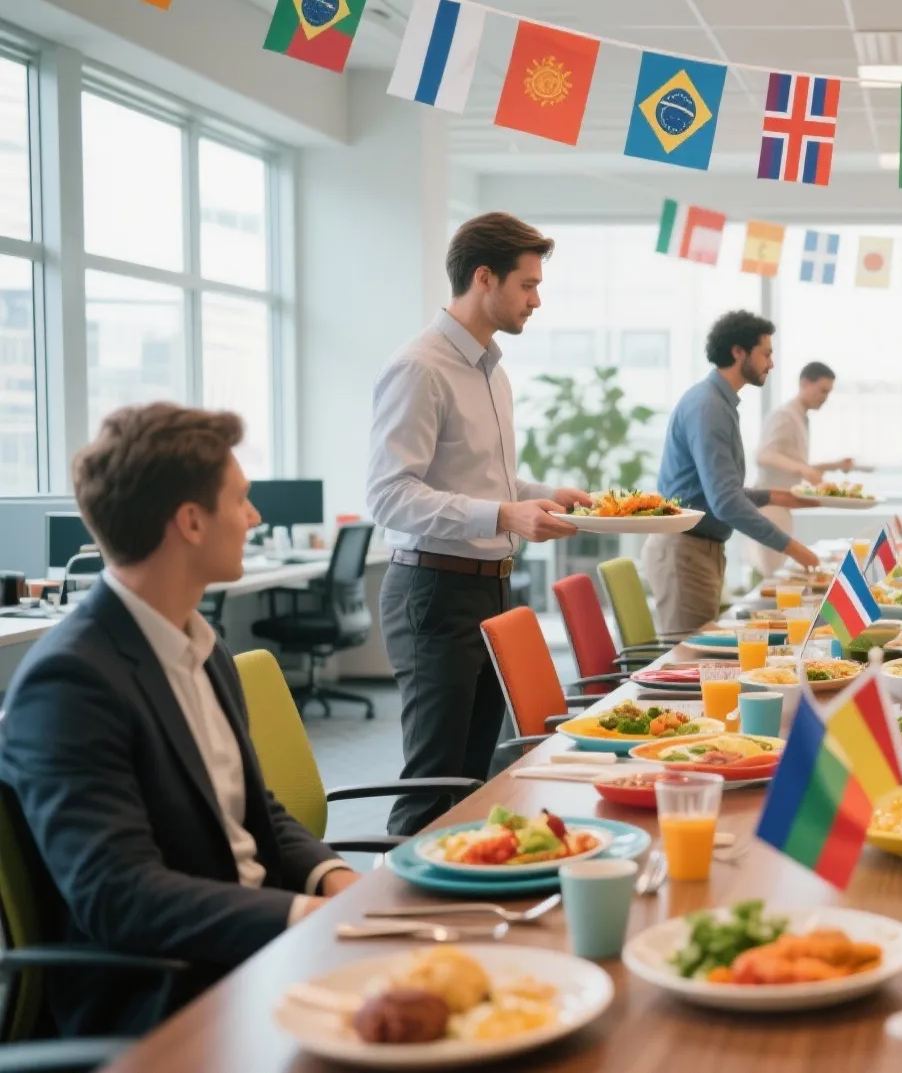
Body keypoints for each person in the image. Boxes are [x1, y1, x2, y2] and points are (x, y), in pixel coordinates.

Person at [0, 404, 357, 1036]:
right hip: (172, 992)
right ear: (191, 521)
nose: (255, 517)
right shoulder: (70, 683)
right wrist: (299, 917)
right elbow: (120, 893)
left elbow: (253, 808)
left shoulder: (202, 644)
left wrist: (333, 876)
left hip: (259, 948)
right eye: (241, 500)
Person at [366, 212, 590, 836]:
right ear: (484, 278)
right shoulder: (421, 367)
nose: (536, 300)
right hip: (433, 591)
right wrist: (502, 514)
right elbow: (389, 495)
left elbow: (483, 482)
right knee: (433, 782)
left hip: (489, 586)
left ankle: (457, 913)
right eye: (527, 284)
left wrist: (545, 497)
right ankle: (398, 923)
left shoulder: (492, 370)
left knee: (475, 781)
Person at [645, 310, 820, 634]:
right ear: (739, 352)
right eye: (766, 354)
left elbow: (716, 490)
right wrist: (793, 548)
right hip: (685, 552)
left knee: (699, 666)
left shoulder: (718, 403)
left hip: (698, 550)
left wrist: (776, 496)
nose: (771, 363)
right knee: (690, 668)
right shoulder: (709, 407)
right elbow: (725, 501)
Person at [751, 361, 856, 576]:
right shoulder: (784, 415)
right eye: (822, 391)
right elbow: (764, 455)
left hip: (784, 505)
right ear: (805, 383)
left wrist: (835, 465)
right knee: (774, 576)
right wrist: (803, 470)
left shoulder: (800, 417)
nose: (825, 398)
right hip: (770, 506)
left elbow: (794, 463)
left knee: (779, 572)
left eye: (828, 393)